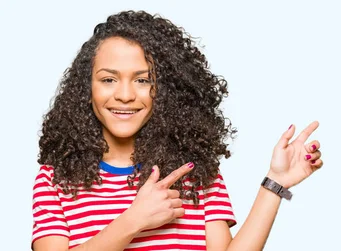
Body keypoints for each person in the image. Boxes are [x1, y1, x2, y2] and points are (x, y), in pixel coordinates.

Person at [31, 10, 323, 251]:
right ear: (87, 88)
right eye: (108, 80)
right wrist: (134, 220)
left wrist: (275, 183)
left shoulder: (196, 172)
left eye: (143, 80)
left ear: (166, 91)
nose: (124, 95)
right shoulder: (55, 180)